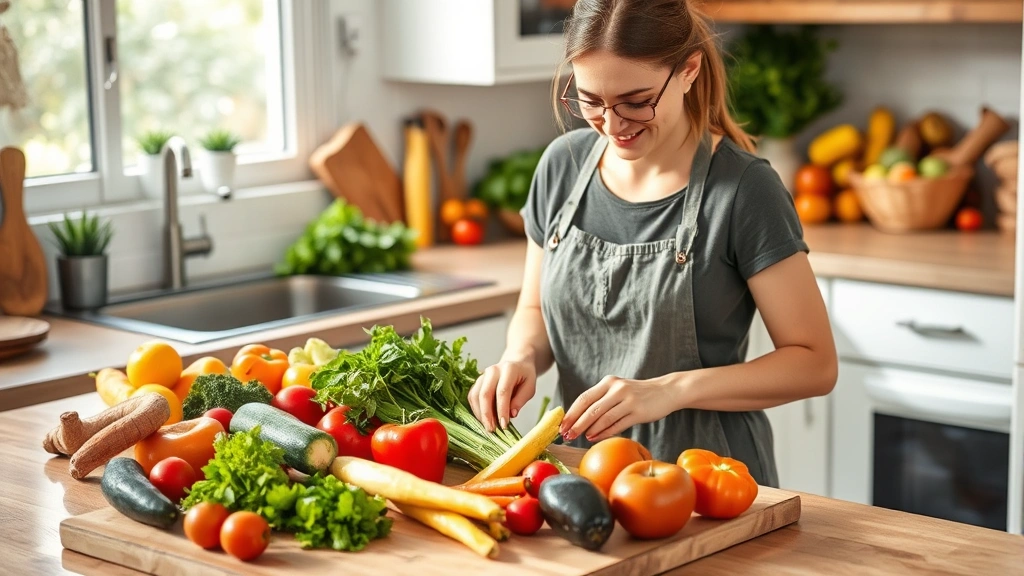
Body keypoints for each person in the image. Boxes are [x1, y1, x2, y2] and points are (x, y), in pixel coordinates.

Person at [467, 0, 837, 487]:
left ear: (688, 70)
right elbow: (535, 310)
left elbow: (814, 363)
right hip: (575, 468)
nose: (613, 125)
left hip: (704, 477)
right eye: (590, 101)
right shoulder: (561, 166)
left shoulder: (745, 191)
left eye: (636, 101)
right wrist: (520, 357)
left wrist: (670, 390)